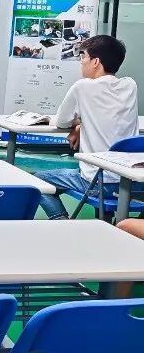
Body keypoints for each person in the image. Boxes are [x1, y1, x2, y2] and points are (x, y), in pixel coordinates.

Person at [35, 35, 140, 219]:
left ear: (96, 62)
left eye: (83, 56)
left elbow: (62, 122)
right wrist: (81, 126)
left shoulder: (82, 87)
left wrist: (77, 125)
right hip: (134, 183)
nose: (81, 62)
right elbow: (109, 118)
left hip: (98, 184)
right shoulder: (130, 85)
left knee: (36, 180)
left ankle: (61, 221)